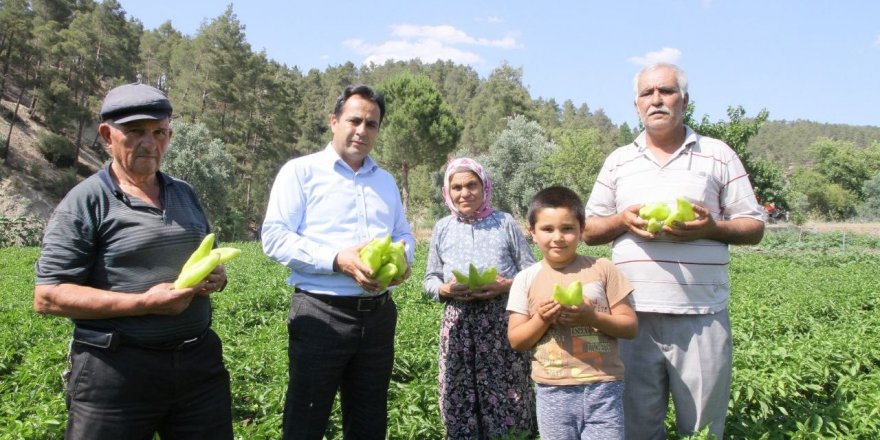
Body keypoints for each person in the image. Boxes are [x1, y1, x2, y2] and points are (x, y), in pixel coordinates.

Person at [33, 83, 233, 439]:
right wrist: (143, 304)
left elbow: (206, 255)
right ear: (108, 136)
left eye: (159, 132)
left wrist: (216, 277)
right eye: (135, 132)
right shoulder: (87, 201)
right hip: (116, 370)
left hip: (197, 367)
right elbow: (48, 296)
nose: (150, 143)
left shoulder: (183, 192)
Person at [584, 62, 765, 439]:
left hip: (701, 315)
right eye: (647, 93)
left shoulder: (718, 154)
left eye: (665, 91)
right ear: (636, 105)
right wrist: (623, 221)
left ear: (684, 101)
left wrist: (711, 228)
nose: (656, 100)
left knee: (700, 428)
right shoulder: (619, 160)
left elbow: (753, 226)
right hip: (631, 316)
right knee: (635, 427)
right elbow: (589, 229)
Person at [261, 84, 415, 440]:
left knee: (369, 419)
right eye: (355, 120)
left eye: (372, 124)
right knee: (307, 417)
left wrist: (401, 262)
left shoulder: (386, 181)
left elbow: (404, 234)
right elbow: (275, 237)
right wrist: (336, 259)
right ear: (334, 121)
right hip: (320, 312)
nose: (362, 130)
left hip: (377, 315)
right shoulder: (301, 172)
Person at [507, 186, 637, 439]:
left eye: (567, 228)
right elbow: (517, 341)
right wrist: (542, 318)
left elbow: (630, 327)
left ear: (581, 230)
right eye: (547, 229)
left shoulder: (603, 268)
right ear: (532, 232)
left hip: (604, 385)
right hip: (553, 389)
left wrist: (592, 317)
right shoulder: (525, 279)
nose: (558, 237)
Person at [423, 157, 536, 439]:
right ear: (447, 192)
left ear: (484, 187)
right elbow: (429, 280)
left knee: (509, 393)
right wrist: (445, 290)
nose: (464, 193)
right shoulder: (442, 228)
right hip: (458, 325)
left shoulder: (505, 223)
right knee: (460, 395)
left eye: (471, 185)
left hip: (503, 323)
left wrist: (506, 285)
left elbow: (532, 273)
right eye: (457, 187)